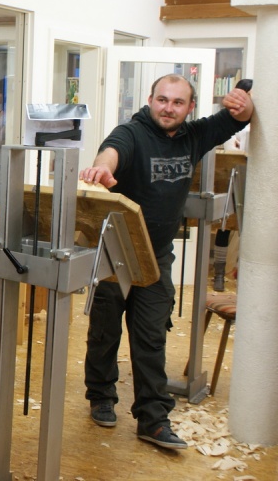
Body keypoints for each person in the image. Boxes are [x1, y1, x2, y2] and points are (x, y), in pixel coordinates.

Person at [79, 73, 253, 450]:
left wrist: (244, 104)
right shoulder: (133, 132)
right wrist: (103, 167)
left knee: (152, 336)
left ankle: (153, 419)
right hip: (115, 252)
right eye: (162, 100)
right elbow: (112, 151)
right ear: (150, 100)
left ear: (190, 107)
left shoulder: (195, 135)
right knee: (105, 330)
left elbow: (238, 118)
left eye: (177, 102)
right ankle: (101, 396)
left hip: (155, 257)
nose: (168, 108)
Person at [214, 78, 252, 291]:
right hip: (231, 177)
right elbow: (231, 149)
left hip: (252, 180)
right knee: (224, 226)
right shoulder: (228, 119)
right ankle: (219, 274)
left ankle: (241, 271)